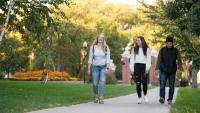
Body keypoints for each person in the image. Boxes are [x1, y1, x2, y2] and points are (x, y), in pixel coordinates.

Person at [156, 36, 182, 105]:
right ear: (166, 43)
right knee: (162, 84)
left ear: (173, 43)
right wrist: (157, 68)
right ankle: (162, 97)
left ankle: (170, 99)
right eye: (168, 43)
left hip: (172, 71)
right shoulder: (162, 50)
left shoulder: (176, 50)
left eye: (170, 43)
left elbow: (179, 60)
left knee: (172, 86)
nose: (169, 44)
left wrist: (180, 68)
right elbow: (159, 59)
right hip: (163, 70)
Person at [87, 34, 110, 104]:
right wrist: (88, 68)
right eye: (99, 37)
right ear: (97, 38)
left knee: (102, 82)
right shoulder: (93, 47)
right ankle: (95, 95)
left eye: (102, 38)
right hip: (95, 67)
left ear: (103, 39)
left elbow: (108, 59)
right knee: (95, 83)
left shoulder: (106, 47)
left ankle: (101, 97)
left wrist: (107, 68)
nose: (100, 39)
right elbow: (90, 58)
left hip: (103, 67)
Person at [129, 36, 151, 104]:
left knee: (144, 82)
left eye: (138, 40)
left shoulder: (147, 49)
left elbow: (148, 60)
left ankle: (145, 95)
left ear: (142, 41)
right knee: (138, 83)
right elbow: (132, 59)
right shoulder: (134, 49)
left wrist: (147, 69)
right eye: (137, 40)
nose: (137, 41)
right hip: (137, 66)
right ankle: (139, 98)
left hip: (144, 66)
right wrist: (132, 69)